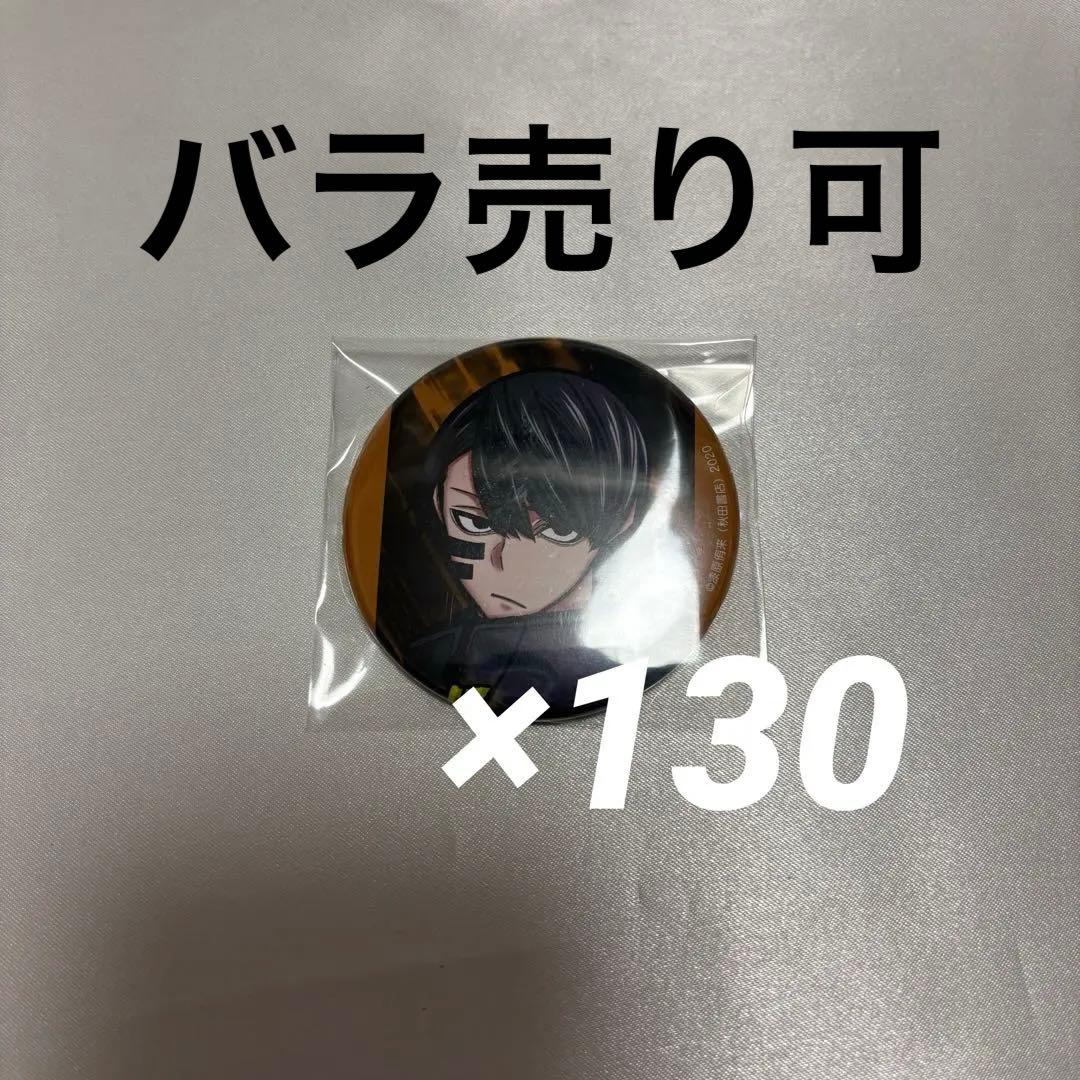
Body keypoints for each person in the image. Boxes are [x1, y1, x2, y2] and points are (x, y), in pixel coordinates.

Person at [407, 369, 650, 714]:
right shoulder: (429, 658)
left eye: (560, 531)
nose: (508, 562)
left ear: (621, 522)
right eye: (475, 522)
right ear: (439, 503)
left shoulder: (630, 658)